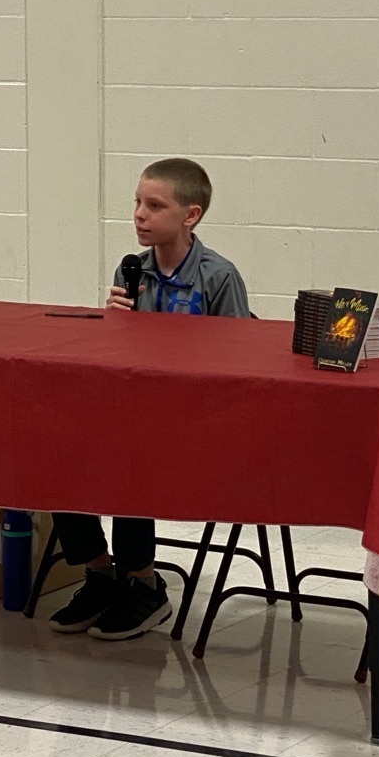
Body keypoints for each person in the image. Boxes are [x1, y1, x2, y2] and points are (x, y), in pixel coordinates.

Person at [50, 157, 250, 641]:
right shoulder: (133, 268)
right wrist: (115, 324)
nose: (139, 214)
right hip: (139, 410)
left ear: (191, 215)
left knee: (127, 455)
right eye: (137, 202)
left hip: (197, 421)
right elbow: (122, 359)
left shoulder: (218, 277)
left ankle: (145, 585)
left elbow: (244, 363)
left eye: (154, 205)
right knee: (55, 451)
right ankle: (100, 574)